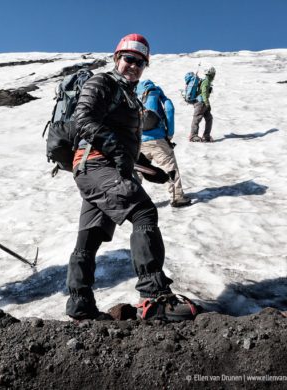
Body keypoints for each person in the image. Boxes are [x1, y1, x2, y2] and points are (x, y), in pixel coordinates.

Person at [65, 33, 197, 322]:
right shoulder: (101, 83)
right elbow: (83, 119)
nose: (134, 66)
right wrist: (117, 151)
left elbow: (124, 144)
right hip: (97, 165)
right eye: (129, 59)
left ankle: (80, 305)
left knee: (89, 237)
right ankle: (154, 297)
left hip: (98, 168)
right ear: (116, 58)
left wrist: (149, 169)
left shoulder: (127, 95)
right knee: (144, 212)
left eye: (141, 62)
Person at [136, 79, 192, 207]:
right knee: (170, 168)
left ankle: (131, 201)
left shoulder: (133, 94)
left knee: (138, 171)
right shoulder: (155, 92)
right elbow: (169, 109)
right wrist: (169, 133)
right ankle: (177, 197)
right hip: (158, 140)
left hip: (138, 141)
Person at [189, 67, 216, 142]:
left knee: (209, 118)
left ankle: (206, 136)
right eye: (213, 74)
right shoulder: (206, 82)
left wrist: (207, 104)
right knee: (197, 119)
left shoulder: (206, 81)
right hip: (201, 103)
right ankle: (193, 136)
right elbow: (204, 92)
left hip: (202, 103)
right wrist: (207, 103)